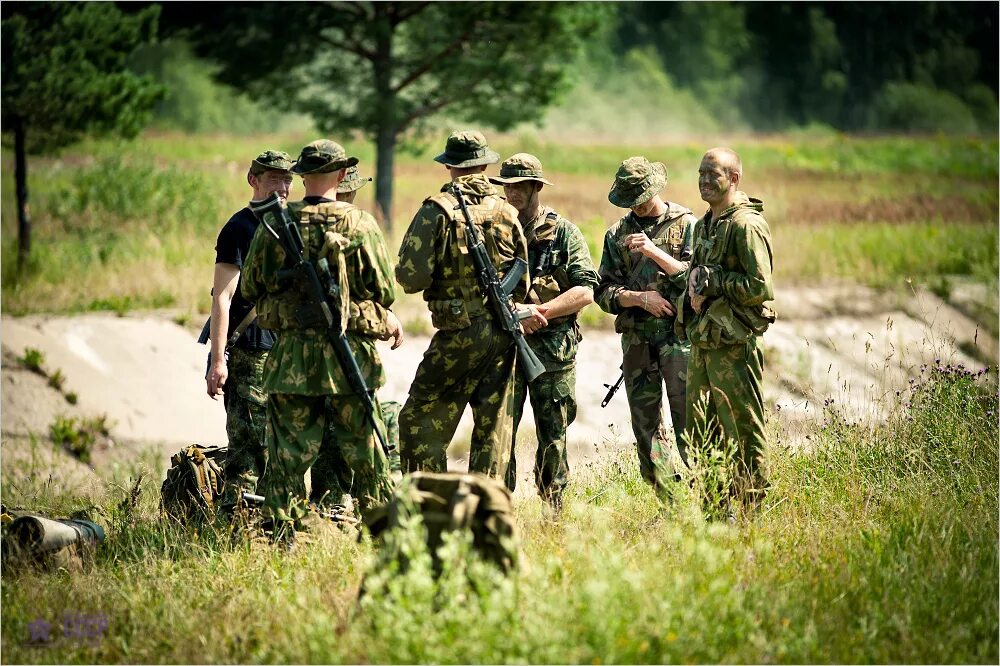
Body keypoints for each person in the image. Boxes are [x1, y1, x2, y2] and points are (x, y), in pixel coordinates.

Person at [241, 139, 403, 537]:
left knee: (287, 458)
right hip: (349, 357)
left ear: (302, 176)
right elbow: (384, 290)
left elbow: (250, 286)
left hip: (292, 359)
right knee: (367, 453)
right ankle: (385, 538)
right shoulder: (361, 224)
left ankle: (282, 539)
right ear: (340, 174)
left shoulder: (276, 223)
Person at [395, 130, 528, 477]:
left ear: (450, 166)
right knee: (494, 430)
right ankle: (487, 511)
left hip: (458, 333)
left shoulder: (436, 211)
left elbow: (411, 278)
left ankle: (427, 506)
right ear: (485, 164)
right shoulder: (507, 212)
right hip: (501, 333)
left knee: (418, 419)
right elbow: (523, 279)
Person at [488, 153, 599, 510]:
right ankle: (499, 511)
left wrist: (540, 310)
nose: (512, 193)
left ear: (536, 187)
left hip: (552, 355)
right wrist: (513, 313)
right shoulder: (495, 232)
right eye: (507, 186)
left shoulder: (563, 232)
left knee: (554, 438)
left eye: (519, 186)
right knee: (498, 438)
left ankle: (555, 511)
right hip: (505, 351)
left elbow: (586, 290)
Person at [595, 156, 697, 494]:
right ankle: (672, 504)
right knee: (647, 430)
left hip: (678, 341)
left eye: (639, 199)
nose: (635, 208)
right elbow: (603, 292)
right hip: (638, 344)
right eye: (629, 202)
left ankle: (711, 499)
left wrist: (654, 252)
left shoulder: (687, 225)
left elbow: (695, 281)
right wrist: (640, 300)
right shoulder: (617, 234)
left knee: (691, 424)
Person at [680, 147, 774, 507]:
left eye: (713, 174)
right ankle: (714, 514)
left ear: (734, 179)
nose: (704, 181)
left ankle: (751, 512)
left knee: (743, 430)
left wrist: (715, 281)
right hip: (705, 342)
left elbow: (759, 286)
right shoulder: (707, 222)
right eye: (701, 173)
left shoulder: (744, 225)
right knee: (701, 431)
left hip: (734, 346)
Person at [206, 149, 292, 514]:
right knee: (249, 447)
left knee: (282, 445)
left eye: (288, 179)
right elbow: (222, 298)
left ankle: (273, 525)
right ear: (253, 180)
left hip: (288, 348)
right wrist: (217, 361)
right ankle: (237, 527)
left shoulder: (296, 224)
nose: (283, 186)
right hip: (251, 349)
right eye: (275, 178)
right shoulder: (240, 228)